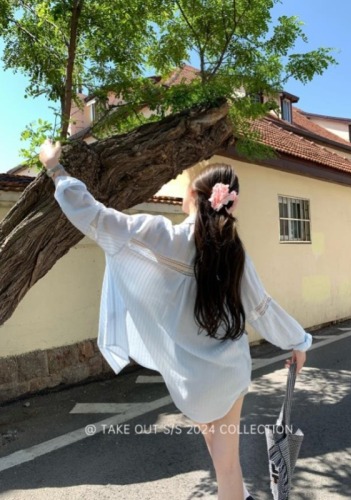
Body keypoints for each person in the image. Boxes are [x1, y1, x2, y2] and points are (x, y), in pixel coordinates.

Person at [39, 139, 312, 500]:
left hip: (189, 380)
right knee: (227, 465)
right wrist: (298, 342)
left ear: (192, 195)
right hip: (229, 373)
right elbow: (262, 308)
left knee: (221, 461)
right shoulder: (232, 250)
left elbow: (96, 217)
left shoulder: (159, 235)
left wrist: (55, 169)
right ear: (229, 203)